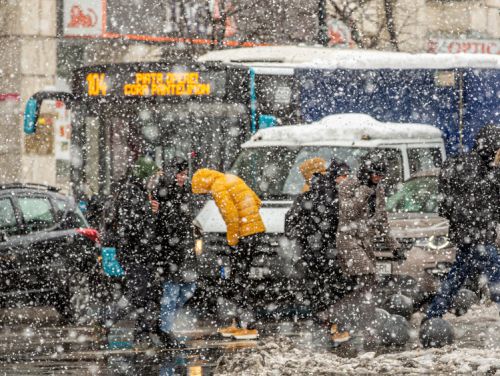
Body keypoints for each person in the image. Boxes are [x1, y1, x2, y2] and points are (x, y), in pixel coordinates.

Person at [424, 125, 500, 322]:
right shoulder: (486, 171)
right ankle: (433, 315)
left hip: (464, 233)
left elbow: (445, 204)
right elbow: (491, 203)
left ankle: (433, 315)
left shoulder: (457, 164)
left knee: (456, 277)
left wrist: (458, 223)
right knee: (496, 275)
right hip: (480, 234)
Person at [331, 152, 401, 343]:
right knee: (368, 279)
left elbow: (382, 221)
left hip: (365, 242)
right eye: (375, 174)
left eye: (381, 175)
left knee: (365, 285)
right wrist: (364, 191)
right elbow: (348, 212)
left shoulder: (378, 189)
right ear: (366, 172)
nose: (378, 179)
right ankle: (366, 328)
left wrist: (394, 246)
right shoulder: (347, 185)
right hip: (348, 240)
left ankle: (341, 316)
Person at [191, 168, 265, 340]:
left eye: (203, 190)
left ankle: (247, 325)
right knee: (241, 278)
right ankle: (239, 322)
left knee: (239, 279)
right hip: (255, 231)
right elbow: (257, 201)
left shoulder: (218, 187)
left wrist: (233, 240)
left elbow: (230, 216)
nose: (206, 193)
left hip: (244, 236)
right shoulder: (231, 179)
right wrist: (250, 219)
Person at [285, 159, 351, 342]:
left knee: (319, 288)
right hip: (330, 250)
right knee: (334, 287)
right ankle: (333, 325)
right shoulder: (334, 193)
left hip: (314, 251)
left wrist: (305, 235)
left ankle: (325, 324)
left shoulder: (306, 196)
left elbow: (290, 225)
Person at [100, 157, 158, 345]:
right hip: (134, 252)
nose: (153, 181)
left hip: (140, 252)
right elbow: (131, 226)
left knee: (147, 294)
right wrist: (148, 212)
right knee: (137, 293)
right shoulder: (132, 193)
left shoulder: (138, 192)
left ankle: (141, 334)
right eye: (151, 176)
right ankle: (108, 319)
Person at [153, 157, 198, 348]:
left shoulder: (185, 192)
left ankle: (164, 324)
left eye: (185, 173)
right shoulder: (164, 193)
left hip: (184, 249)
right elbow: (165, 222)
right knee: (171, 291)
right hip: (171, 251)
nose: (183, 177)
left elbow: (184, 217)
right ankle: (164, 329)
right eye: (180, 173)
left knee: (188, 288)